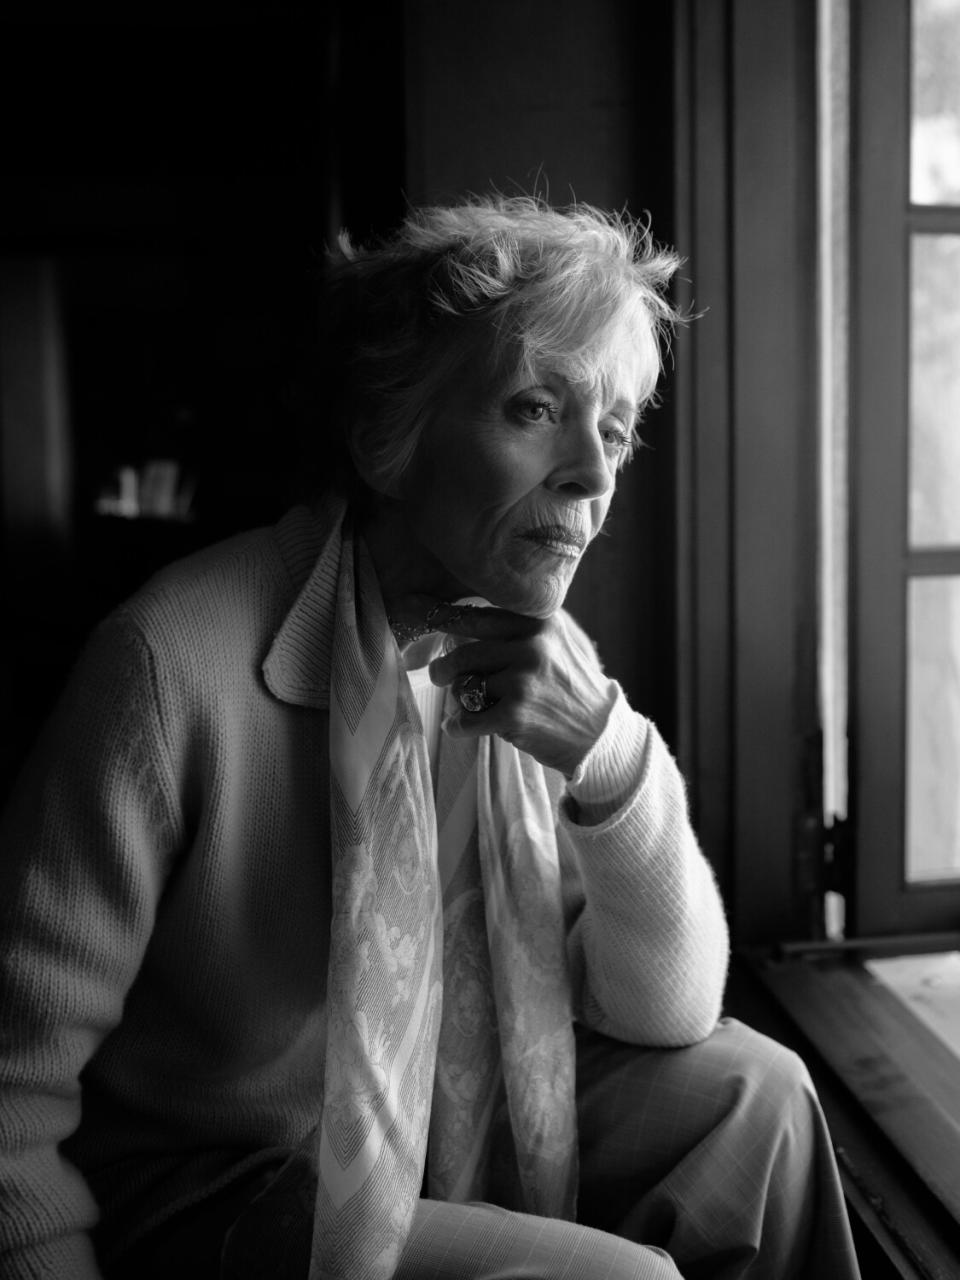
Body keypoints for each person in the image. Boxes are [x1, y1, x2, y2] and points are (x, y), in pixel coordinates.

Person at [0, 195, 861, 1280]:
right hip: (218, 1179)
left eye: (618, 425)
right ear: (386, 436)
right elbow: (11, 1085)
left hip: (445, 1095)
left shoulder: (544, 647)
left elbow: (667, 1009)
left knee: (762, 1094)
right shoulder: (171, 663)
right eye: (536, 407)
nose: (594, 477)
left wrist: (608, 754)